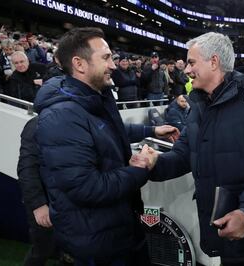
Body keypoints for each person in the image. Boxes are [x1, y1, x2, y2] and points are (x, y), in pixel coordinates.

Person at [133, 32, 244, 266]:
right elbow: (182, 156)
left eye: (191, 62)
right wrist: (154, 163)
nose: (186, 71)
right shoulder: (200, 106)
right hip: (223, 235)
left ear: (214, 61)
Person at [34, 27, 179, 266]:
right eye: (106, 57)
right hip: (97, 244)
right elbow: (87, 188)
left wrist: (151, 130)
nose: (113, 65)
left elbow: (108, 131)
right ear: (79, 64)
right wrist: (141, 168)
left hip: (119, 229)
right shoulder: (62, 117)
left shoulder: (95, 96)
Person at [17, 117, 73, 266]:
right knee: (43, 249)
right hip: (44, 201)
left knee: (72, 250)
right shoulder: (36, 125)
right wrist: (38, 205)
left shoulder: (75, 119)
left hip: (68, 200)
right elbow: (26, 170)